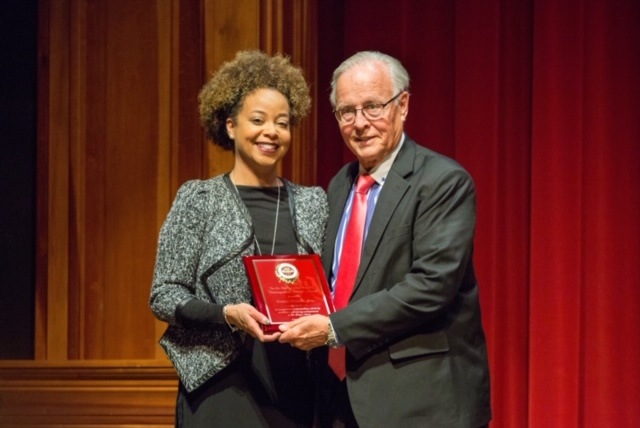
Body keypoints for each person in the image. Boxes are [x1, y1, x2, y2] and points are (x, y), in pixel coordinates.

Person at [278, 51, 492, 427]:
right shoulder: (339, 185)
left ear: (403, 104)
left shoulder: (442, 181)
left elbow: (431, 287)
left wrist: (333, 327)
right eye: (347, 111)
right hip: (345, 396)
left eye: (373, 107)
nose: (360, 123)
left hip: (424, 400)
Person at [149, 50, 328, 427]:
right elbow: (164, 294)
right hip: (221, 385)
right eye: (258, 120)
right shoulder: (200, 199)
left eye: (282, 122)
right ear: (230, 126)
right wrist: (226, 314)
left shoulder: (314, 202)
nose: (271, 132)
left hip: (300, 384)